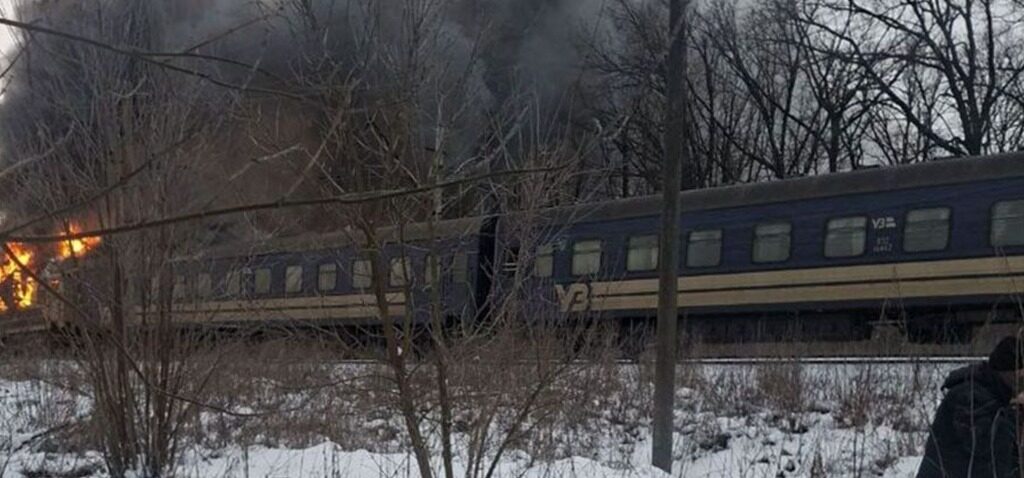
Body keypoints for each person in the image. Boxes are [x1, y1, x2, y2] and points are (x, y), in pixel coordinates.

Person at [916, 336, 1023, 477]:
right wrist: (1016, 414)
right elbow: (985, 444)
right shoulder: (968, 395)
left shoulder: (999, 395)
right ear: (1011, 374)